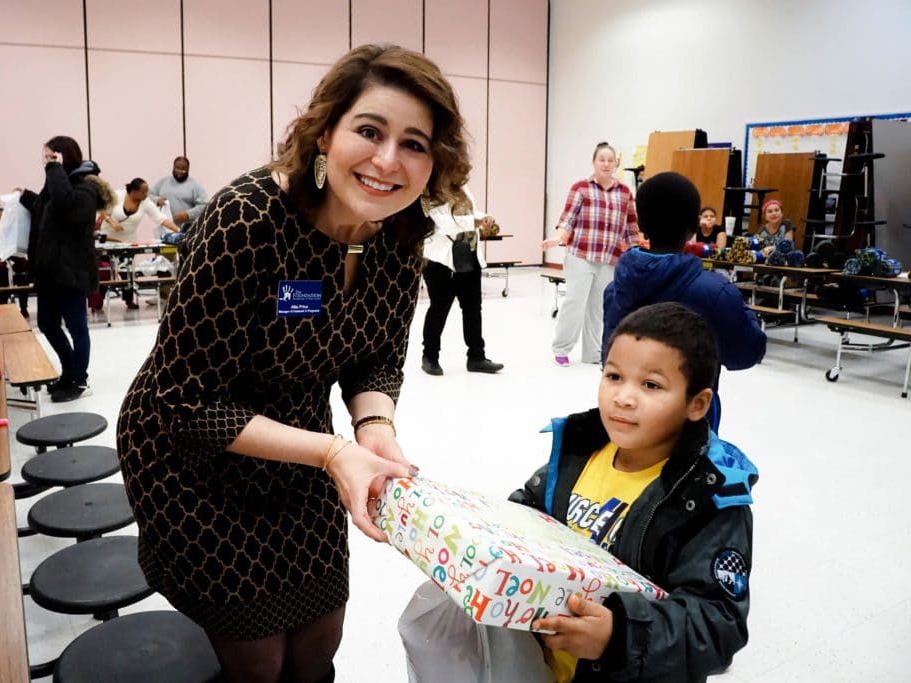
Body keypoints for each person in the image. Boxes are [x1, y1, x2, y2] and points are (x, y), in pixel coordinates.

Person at [116, 44, 472, 683]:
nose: (388, 161)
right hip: (191, 457)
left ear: (435, 162)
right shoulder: (249, 218)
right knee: (257, 659)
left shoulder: (400, 233)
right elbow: (182, 403)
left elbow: (377, 357)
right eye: (369, 131)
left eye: (414, 144)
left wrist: (374, 431)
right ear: (326, 133)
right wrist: (334, 453)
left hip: (298, 444)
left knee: (316, 643)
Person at [510, 302, 756, 682]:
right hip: (542, 666)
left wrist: (620, 635)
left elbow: (718, 625)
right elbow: (526, 511)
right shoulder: (581, 451)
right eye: (613, 376)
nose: (623, 398)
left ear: (697, 404)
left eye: (651, 385)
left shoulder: (707, 496)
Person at [602, 172, 766, 430]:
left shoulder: (615, 290)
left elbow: (608, 360)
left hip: (627, 422)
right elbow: (746, 353)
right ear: (693, 227)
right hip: (689, 428)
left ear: (641, 223)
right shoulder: (715, 292)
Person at [18, 135, 115, 402]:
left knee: (77, 327)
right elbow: (46, 208)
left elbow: (65, 206)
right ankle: (69, 370)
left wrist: (54, 170)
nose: (47, 163)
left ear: (65, 157)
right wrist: (26, 197)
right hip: (50, 271)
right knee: (47, 324)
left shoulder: (86, 190)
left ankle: (80, 380)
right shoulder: (56, 185)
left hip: (72, 272)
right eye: (46, 158)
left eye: (53, 158)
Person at [543, 142, 639, 367]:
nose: (606, 164)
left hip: (609, 259)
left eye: (610, 160)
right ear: (594, 162)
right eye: (601, 159)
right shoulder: (581, 188)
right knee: (574, 303)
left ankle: (592, 352)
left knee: (598, 307)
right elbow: (568, 219)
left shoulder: (625, 192)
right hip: (581, 256)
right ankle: (562, 349)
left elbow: (631, 226)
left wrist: (636, 249)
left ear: (616, 163)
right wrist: (558, 237)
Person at [420, 193, 503, 376]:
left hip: (469, 254)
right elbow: (442, 224)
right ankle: (430, 357)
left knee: (473, 308)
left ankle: (476, 357)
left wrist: (484, 217)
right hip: (440, 260)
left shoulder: (462, 188)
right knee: (439, 308)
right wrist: (475, 222)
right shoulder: (429, 191)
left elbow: (471, 212)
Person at [98, 178, 180, 309]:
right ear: (134, 191)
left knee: (127, 271)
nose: (146, 194)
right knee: (104, 271)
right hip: (108, 239)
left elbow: (160, 219)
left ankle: (128, 299)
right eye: (143, 192)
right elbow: (102, 210)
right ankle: (99, 299)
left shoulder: (145, 202)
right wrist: (111, 222)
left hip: (128, 242)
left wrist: (178, 231)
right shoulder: (117, 195)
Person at [150, 156, 208, 233]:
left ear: (188, 169)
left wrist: (188, 215)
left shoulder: (195, 185)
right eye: (177, 168)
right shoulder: (163, 182)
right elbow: (147, 195)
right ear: (173, 167)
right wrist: (157, 200)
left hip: (185, 232)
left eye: (183, 169)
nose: (180, 171)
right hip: (162, 232)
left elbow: (204, 205)